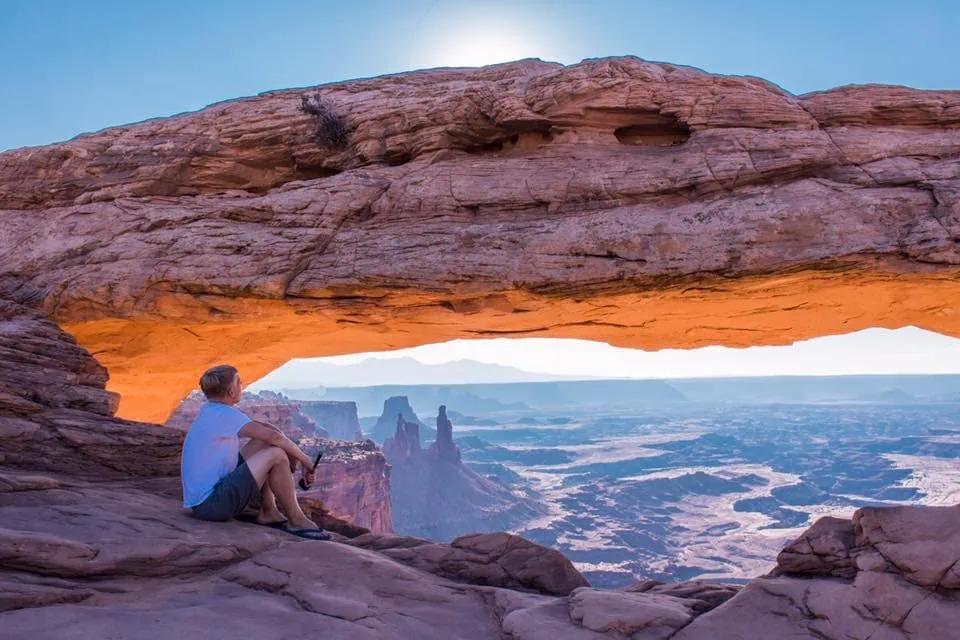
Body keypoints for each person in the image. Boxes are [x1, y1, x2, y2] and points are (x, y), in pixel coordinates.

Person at [180, 364, 329, 540]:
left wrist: (295, 462)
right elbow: (274, 439)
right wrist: (306, 462)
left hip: (208, 500)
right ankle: (296, 520)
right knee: (275, 454)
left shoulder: (211, 410)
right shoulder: (225, 415)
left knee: (263, 442)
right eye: (238, 381)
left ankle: (269, 511)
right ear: (230, 392)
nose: (242, 384)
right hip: (212, 506)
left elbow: (268, 431)